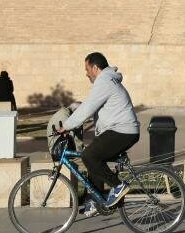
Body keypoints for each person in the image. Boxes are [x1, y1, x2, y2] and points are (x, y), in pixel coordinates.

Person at [57, 52, 139, 216]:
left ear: (95, 67)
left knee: (89, 156)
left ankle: (118, 186)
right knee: (93, 159)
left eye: (87, 69)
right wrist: (76, 108)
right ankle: (97, 200)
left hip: (122, 131)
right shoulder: (107, 80)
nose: (86, 73)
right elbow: (91, 104)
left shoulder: (104, 82)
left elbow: (89, 108)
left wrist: (66, 126)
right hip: (120, 130)